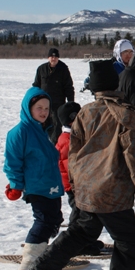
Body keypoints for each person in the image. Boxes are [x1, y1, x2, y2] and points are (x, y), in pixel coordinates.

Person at [27, 60, 135, 270]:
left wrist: (77, 185)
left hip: (88, 188)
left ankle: (43, 267)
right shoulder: (126, 116)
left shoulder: (85, 112)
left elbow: (74, 154)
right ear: (116, 84)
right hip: (113, 192)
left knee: (82, 231)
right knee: (128, 240)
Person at [3, 86, 64, 270]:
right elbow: (12, 163)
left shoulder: (42, 130)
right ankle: (29, 263)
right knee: (44, 221)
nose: (44, 112)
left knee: (54, 220)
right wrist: (16, 185)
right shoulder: (19, 132)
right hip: (37, 187)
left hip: (52, 185)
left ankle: (40, 253)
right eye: (39, 108)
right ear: (28, 108)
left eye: (47, 108)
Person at [56, 101, 105, 256]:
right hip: (74, 186)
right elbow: (71, 167)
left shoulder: (77, 135)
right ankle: (73, 244)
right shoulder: (68, 140)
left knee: (86, 215)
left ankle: (85, 241)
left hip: (81, 184)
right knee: (78, 216)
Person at [32, 48, 75, 143]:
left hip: (58, 103)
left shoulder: (63, 69)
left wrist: (71, 103)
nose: (53, 59)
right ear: (48, 57)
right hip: (43, 103)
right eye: (51, 56)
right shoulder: (41, 69)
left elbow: (68, 87)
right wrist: (34, 99)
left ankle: (54, 146)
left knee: (56, 126)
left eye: (55, 57)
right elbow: (36, 86)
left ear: (58, 58)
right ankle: (43, 143)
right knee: (43, 124)